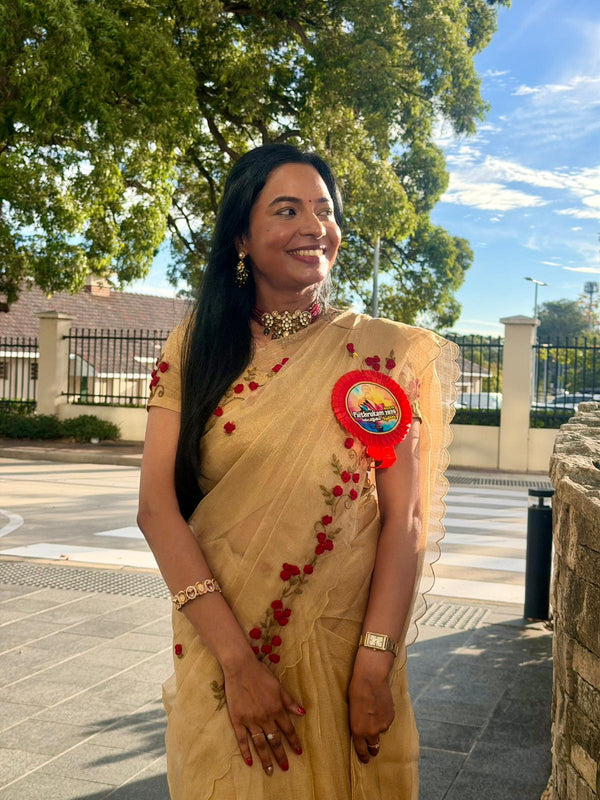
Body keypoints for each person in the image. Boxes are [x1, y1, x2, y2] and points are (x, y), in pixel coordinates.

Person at [138, 143, 459, 800]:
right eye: (287, 210)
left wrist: (376, 659)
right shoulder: (196, 345)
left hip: (342, 658)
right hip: (221, 652)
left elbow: (406, 516)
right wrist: (237, 665)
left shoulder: (382, 356)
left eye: (324, 209)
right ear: (241, 236)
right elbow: (155, 509)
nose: (314, 226)